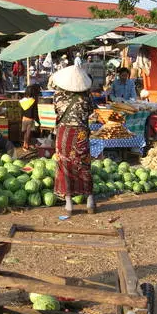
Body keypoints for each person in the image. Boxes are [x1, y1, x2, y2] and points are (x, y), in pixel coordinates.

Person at [52, 65, 96, 216]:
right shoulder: (86, 97)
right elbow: (90, 111)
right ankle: (90, 201)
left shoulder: (57, 96)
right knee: (84, 165)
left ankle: (69, 204)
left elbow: (57, 112)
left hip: (64, 133)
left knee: (65, 166)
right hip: (81, 133)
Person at [21, 84, 40, 150]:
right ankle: (26, 146)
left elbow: (21, 111)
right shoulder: (33, 101)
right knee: (28, 134)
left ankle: (24, 145)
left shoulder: (22, 101)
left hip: (24, 119)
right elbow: (35, 112)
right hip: (30, 120)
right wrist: (37, 121)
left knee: (25, 133)